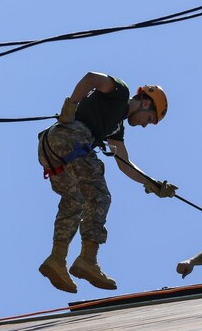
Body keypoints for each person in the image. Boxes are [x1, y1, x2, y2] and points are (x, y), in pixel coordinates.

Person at [37, 73, 177, 293]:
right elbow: (92, 78)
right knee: (100, 196)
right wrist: (70, 106)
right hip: (69, 138)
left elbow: (125, 164)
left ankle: (57, 259)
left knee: (74, 200)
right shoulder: (120, 93)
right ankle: (87, 260)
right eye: (149, 119)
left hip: (52, 151)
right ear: (146, 102)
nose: (144, 126)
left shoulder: (116, 128)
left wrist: (154, 184)